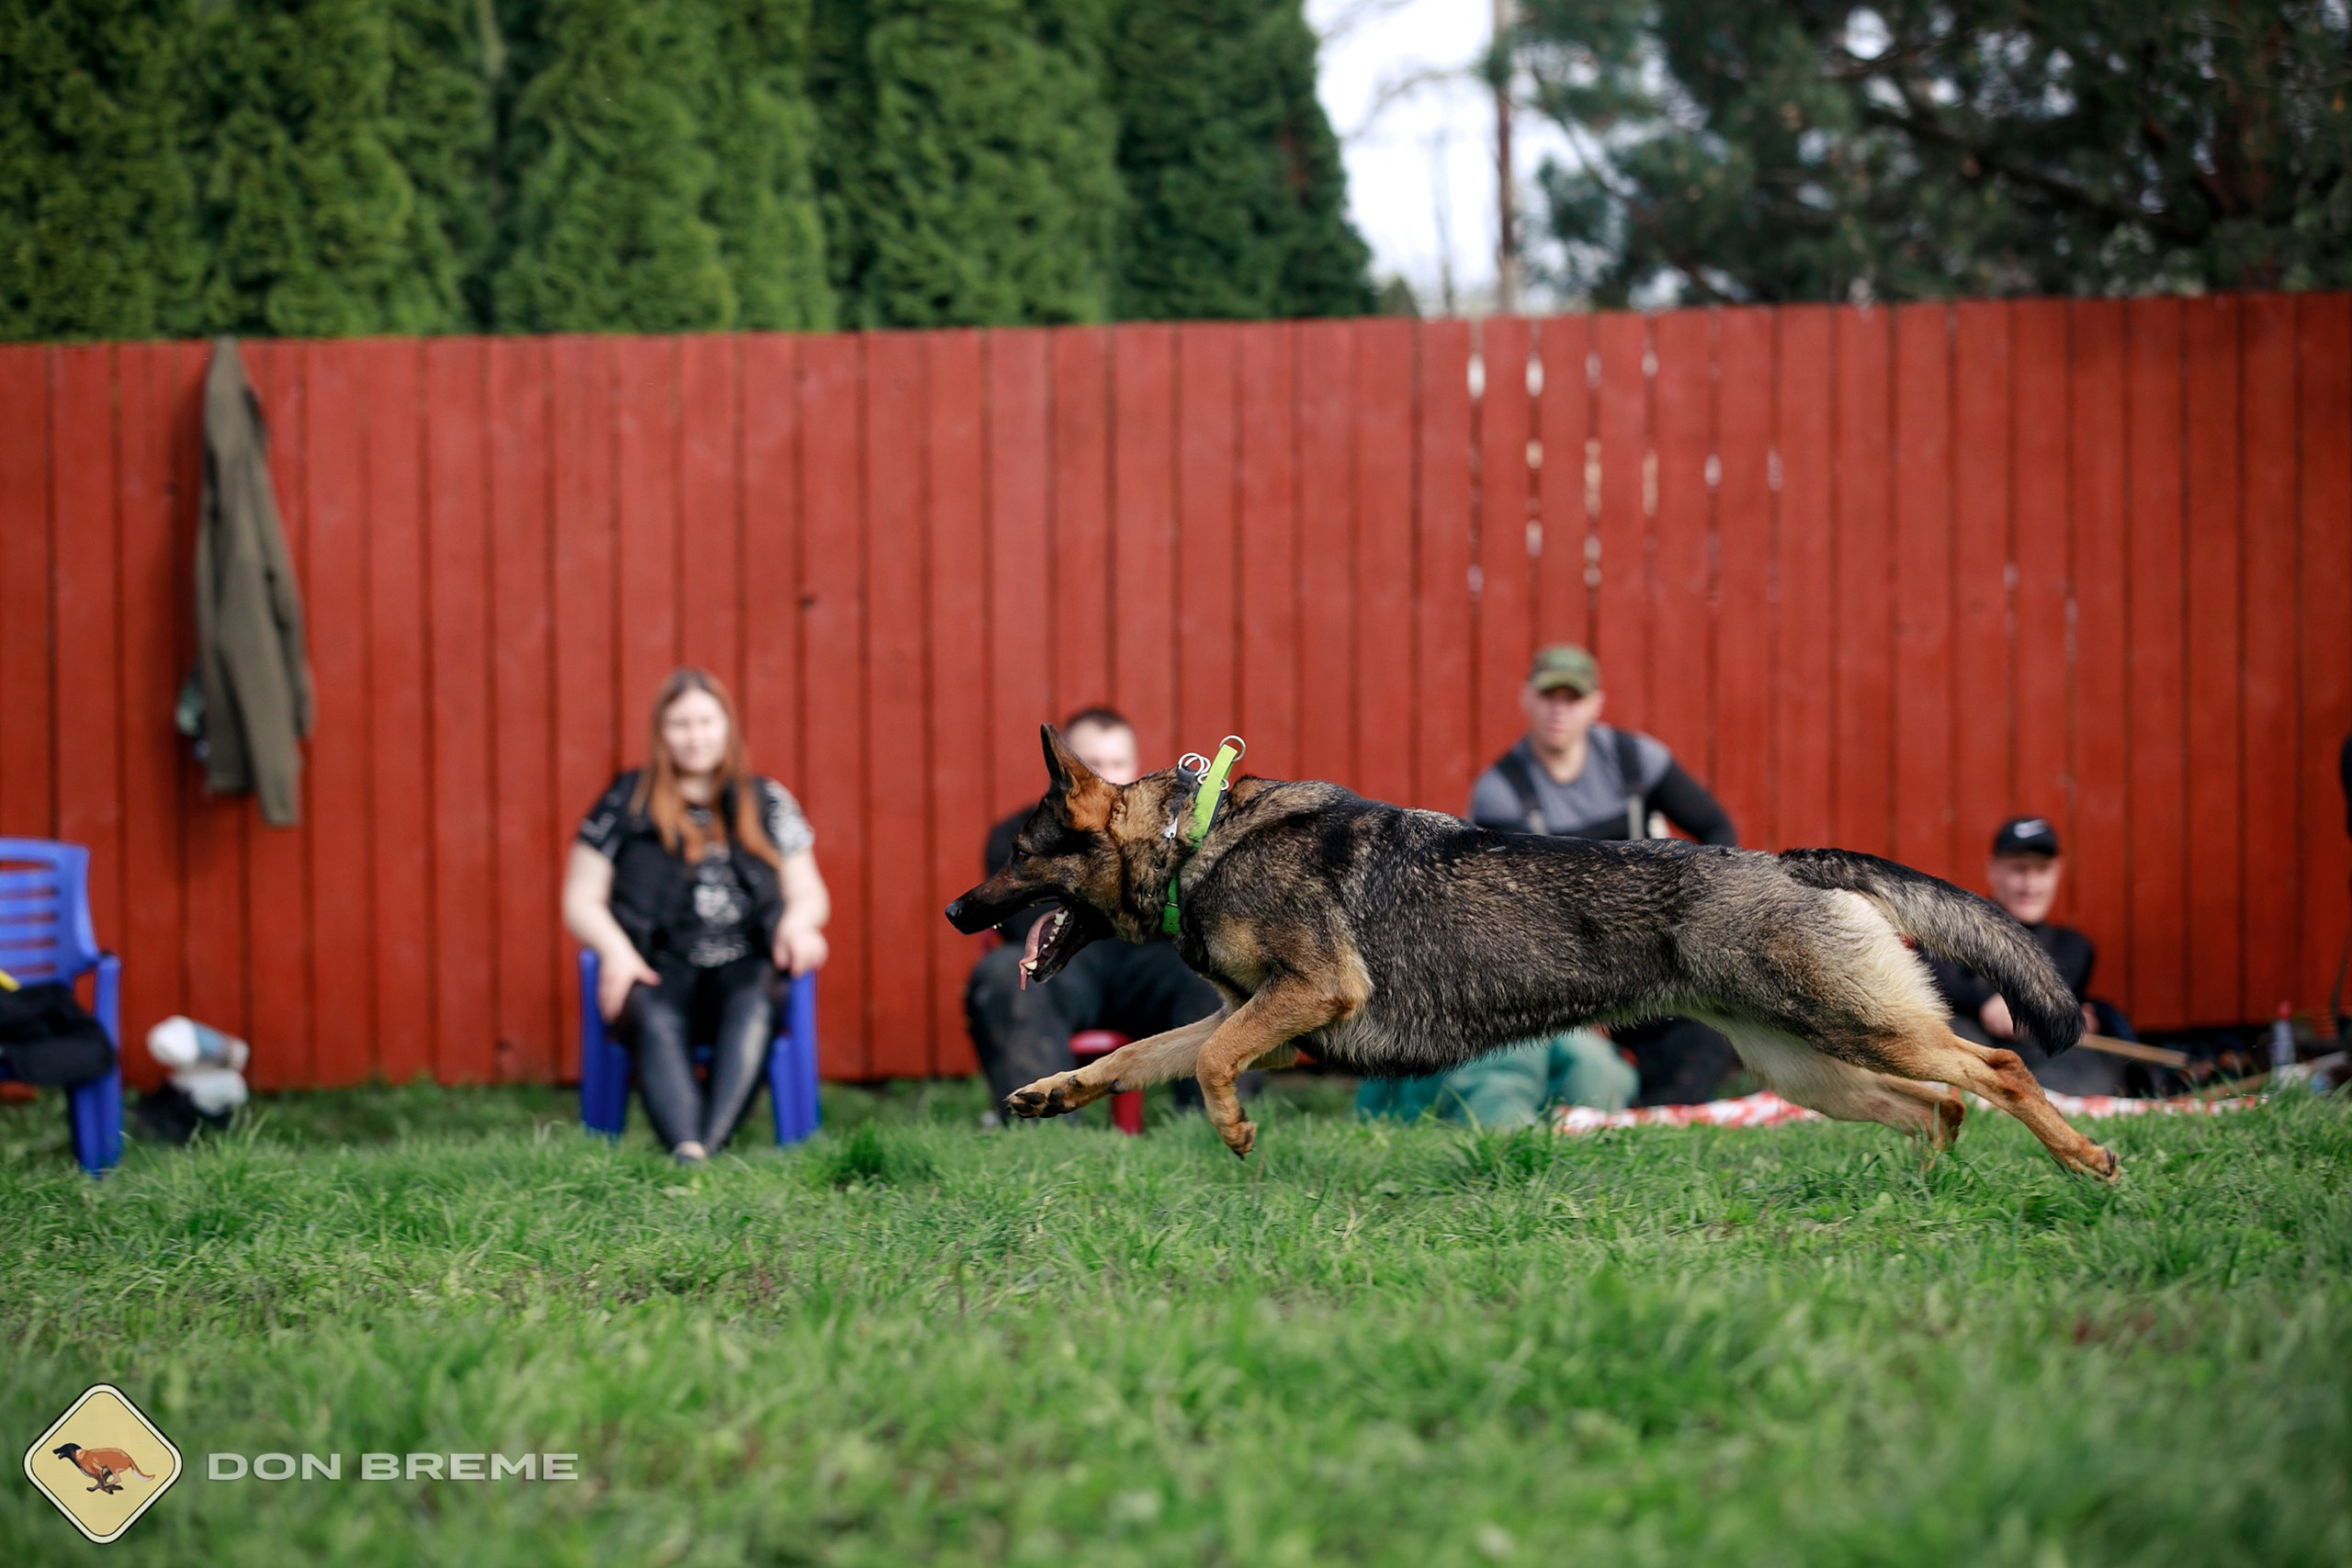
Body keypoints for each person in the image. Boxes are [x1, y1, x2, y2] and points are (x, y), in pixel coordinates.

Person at [562, 669, 830, 1163]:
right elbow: (580, 898)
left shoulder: (767, 800)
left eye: (706, 722)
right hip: (658, 961)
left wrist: (798, 924)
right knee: (652, 1012)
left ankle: (701, 1148)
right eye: (679, 724)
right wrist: (616, 954)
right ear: (660, 733)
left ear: (726, 726)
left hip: (746, 960)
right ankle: (691, 1145)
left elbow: (809, 893)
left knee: (755, 1001)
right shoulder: (625, 801)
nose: (694, 736)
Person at [1465, 643, 1737, 1106]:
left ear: (1595, 704)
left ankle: (1652, 1114)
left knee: (1709, 1032)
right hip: (1565, 972)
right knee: (1577, 1067)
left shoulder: (1638, 761)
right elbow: (1502, 908)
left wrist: (1704, 911)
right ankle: (1612, 1107)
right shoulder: (1501, 792)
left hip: (1651, 956)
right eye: (1549, 697)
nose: (1559, 711)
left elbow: (1716, 829)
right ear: (1526, 699)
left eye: (1573, 699)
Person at [964, 707, 1237, 1121]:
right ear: (1065, 770)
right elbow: (1022, 924)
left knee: (1221, 975)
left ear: (1135, 767)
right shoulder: (1018, 836)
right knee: (1003, 974)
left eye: (1117, 764)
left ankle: (1209, 1131)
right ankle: (1045, 1142)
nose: (1106, 777)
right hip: (1068, 965)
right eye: (1093, 765)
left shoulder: (1175, 830)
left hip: (1153, 965)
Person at [1929, 816, 2136, 1097]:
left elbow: (2062, 1003)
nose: (2030, 885)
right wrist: (1985, 1000)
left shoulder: (2072, 947)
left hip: (2039, 1061)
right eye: (2019, 870)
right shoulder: (1956, 928)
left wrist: (2073, 1019)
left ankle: (2028, 1098)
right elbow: (1931, 968)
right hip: (1972, 1045)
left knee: (2094, 1066)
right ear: (1993, 871)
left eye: (2041, 870)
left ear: (2058, 872)